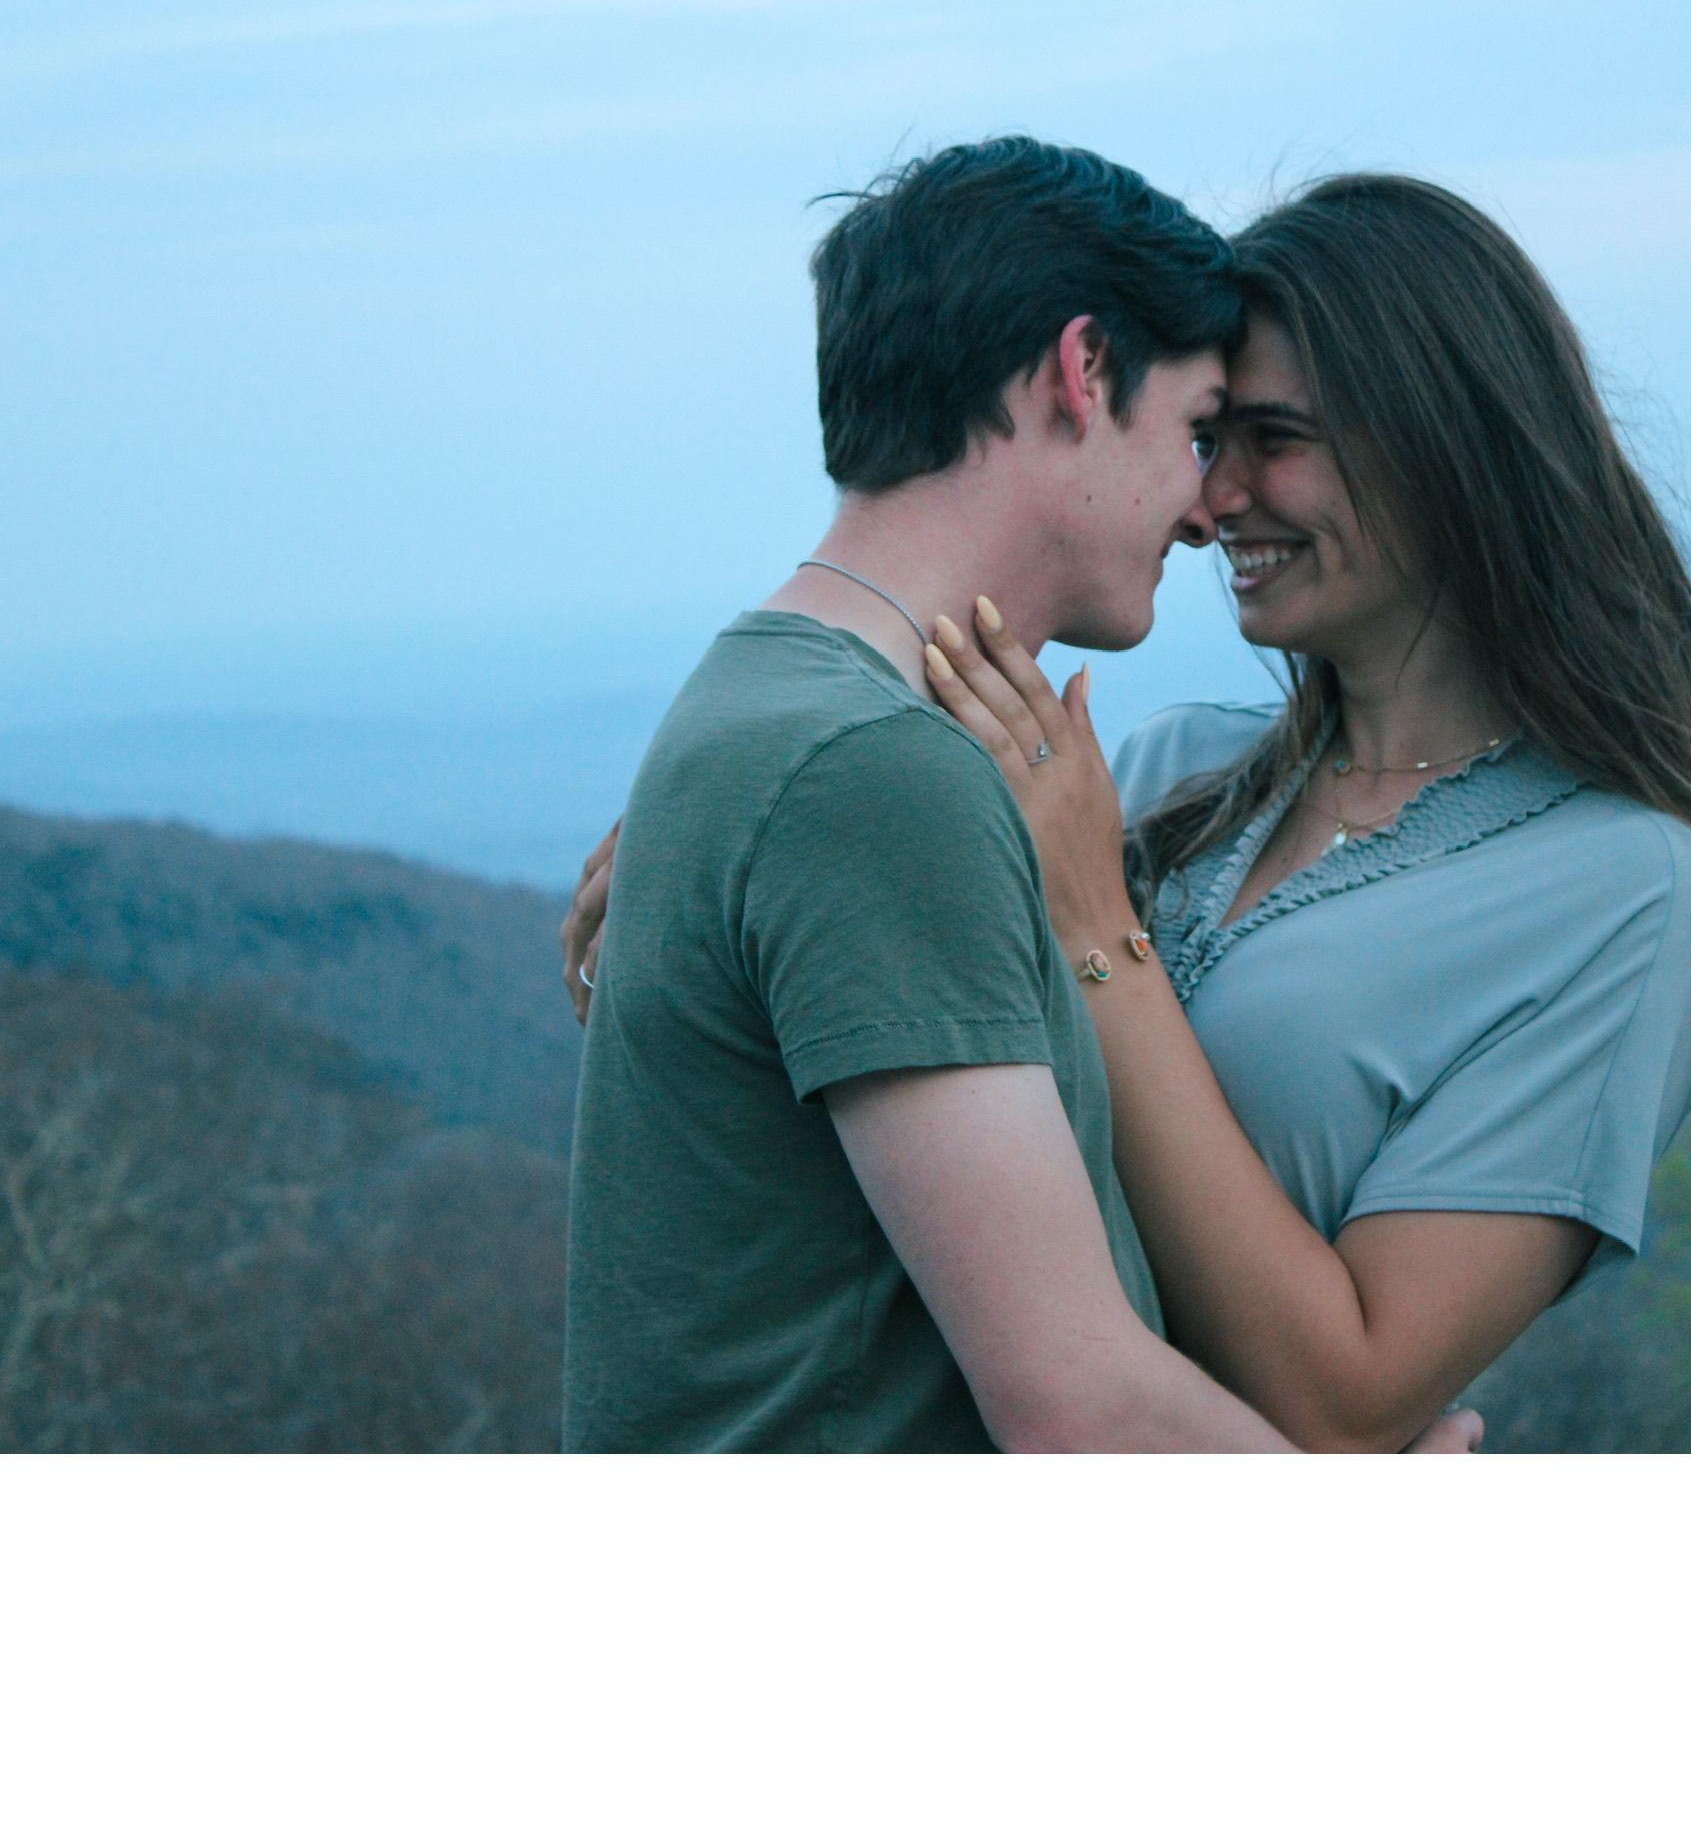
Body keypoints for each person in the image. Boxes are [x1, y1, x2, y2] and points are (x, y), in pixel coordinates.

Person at [566, 167, 1691, 1451]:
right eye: (1207, 436)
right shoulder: (1153, 768)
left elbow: (1343, 1394)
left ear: (1447, 450)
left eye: (1271, 440)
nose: (1212, 496)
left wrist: (1098, 931)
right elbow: (861, 847)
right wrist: (723, 840)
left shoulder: (1622, 889)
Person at [563, 136, 1481, 1453]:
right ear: (1083, 368)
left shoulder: (760, 703)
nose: (1208, 509)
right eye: (1197, 431)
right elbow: (1076, 1401)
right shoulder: (869, 772)